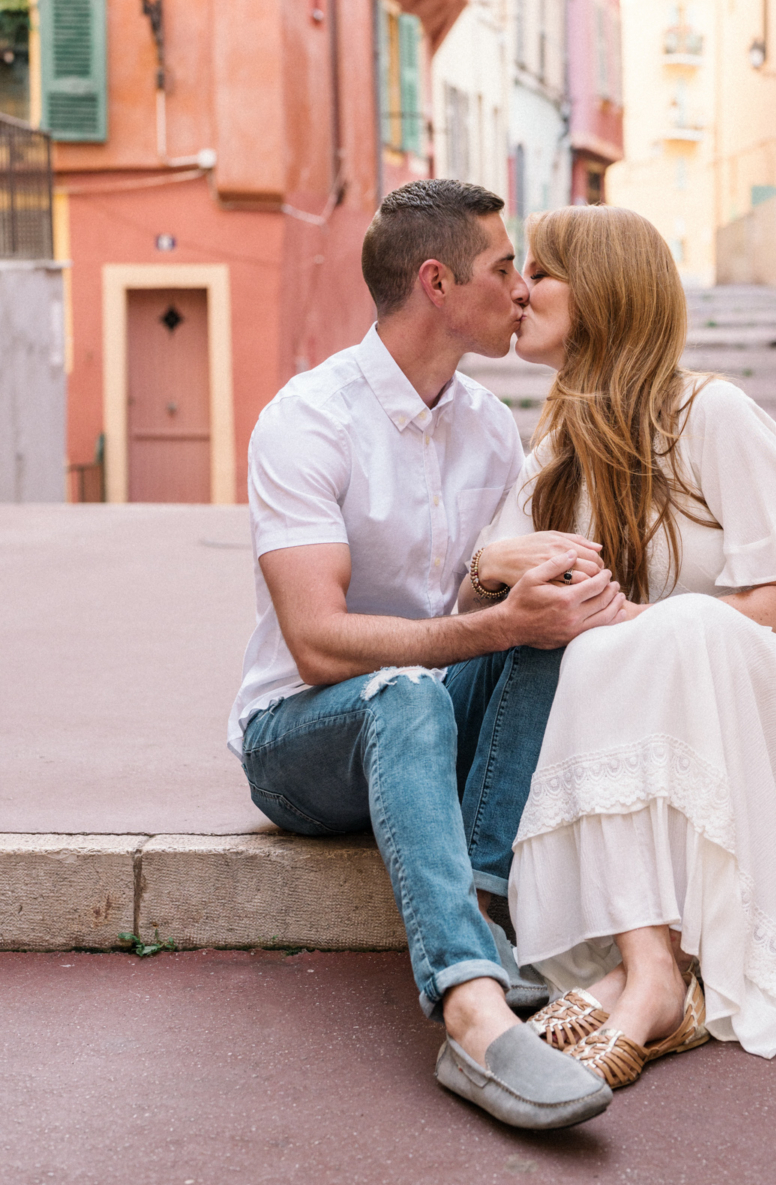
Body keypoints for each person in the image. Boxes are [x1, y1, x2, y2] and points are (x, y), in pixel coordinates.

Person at [467, 205, 776, 1089]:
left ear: (597, 293)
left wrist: (650, 628)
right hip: (672, 716)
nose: (518, 292)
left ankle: (647, 982)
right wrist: (495, 560)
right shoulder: (557, 444)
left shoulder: (713, 412)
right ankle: (650, 968)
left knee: (655, 631)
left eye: (540, 274)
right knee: (595, 649)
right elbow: (495, 568)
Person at [226, 180, 627, 1130]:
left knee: (546, 628)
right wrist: (491, 624)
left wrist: (522, 589)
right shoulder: (309, 420)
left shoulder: (489, 425)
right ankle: (474, 1013)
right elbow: (319, 645)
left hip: (424, 711)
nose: (523, 292)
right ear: (438, 283)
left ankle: (479, 897)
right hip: (301, 745)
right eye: (503, 270)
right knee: (406, 687)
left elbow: (462, 610)